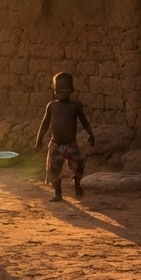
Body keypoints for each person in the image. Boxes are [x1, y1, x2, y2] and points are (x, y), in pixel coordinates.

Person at [35, 72, 94, 201]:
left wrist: (90, 134)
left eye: (66, 88)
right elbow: (44, 124)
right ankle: (58, 194)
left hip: (71, 144)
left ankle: (77, 184)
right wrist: (38, 140)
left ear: (72, 89)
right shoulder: (51, 106)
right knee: (54, 170)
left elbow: (84, 121)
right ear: (54, 89)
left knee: (78, 166)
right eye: (59, 88)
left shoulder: (75, 106)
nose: (63, 91)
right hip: (55, 144)